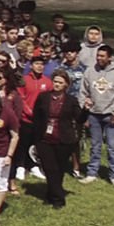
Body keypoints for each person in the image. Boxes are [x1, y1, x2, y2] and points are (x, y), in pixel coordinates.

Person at [78, 44, 114, 187]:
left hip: (110, 116)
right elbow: (82, 92)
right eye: (98, 55)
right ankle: (91, 173)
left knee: (112, 147)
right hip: (93, 115)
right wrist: (85, 106)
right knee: (95, 146)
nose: (99, 58)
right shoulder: (90, 71)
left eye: (102, 56)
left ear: (110, 58)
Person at [30, 71, 79, 208]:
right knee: (50, 168)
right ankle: (59, 199)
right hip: (45, 139)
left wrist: (86, 109)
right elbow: (37, 117)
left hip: (64, 139)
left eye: (60, 82)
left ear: (66, 85)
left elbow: (80, 118)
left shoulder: (71, 100)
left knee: (59, 169)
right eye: (55, 81)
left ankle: (51, 194)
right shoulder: (43, 97)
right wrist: (36, 138)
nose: (57, 84)